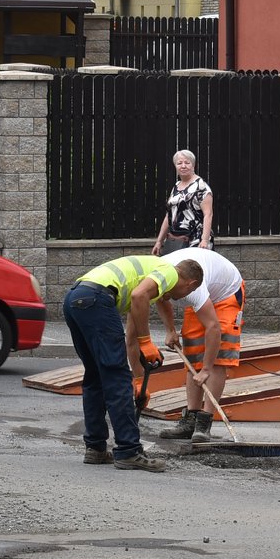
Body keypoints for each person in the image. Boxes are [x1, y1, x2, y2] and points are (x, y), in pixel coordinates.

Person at [63, 253, 204, 471]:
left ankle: (95, 448)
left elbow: (132, 336)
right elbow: (140, 296)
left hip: (75, 299)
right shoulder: (169, 272)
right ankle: (129, 451)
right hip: (97, 300)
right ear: (191, 283)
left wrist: (139, 380)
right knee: (117, 378)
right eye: (190, 292)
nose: (183, 296)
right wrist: (147, 343)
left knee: (95, 377)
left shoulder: (151, 275)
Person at [155, 245, 246, 440]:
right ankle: (190, 420)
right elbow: (161, 299)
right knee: (193, 354)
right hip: (203, 295)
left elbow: (213, 328)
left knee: (218, 358)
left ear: (190, 285)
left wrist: (206, 369)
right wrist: (170, 330)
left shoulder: (194, 290)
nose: (169, 295)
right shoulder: (162, 275)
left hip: (226, 294)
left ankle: (204, 422)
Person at [153, 150, 213, 255]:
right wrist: (159, 241)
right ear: (175, 166)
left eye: (187, 162)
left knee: (192, 270)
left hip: (196, 241)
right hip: (175, 240)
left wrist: (204, 240)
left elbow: (208, 214)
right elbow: (169, 216)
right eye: (179, 163)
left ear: (193, 165)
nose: (183, 166)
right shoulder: (176, 186)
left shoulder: (201, 187)